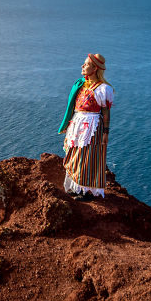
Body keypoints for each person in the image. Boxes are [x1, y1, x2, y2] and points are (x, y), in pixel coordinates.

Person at [58, 53, 114, 200]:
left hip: (93, 128)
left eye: (86, 64)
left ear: (95, 68)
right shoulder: (81, 84)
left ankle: (86, 192)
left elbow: (106, 112)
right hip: (78, 124)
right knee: (74, 156)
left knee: (88, 158)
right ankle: (75, 187)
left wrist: (106, 132)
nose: (83, 66)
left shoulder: (103, 89)